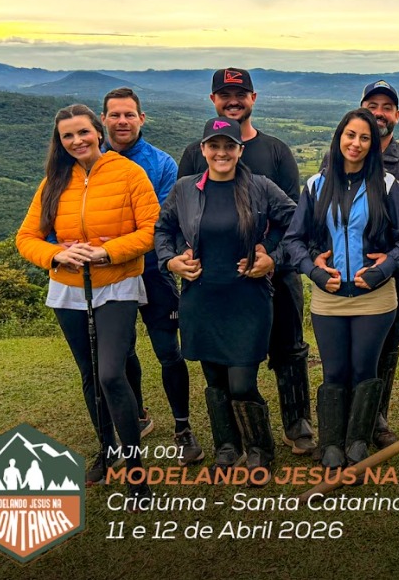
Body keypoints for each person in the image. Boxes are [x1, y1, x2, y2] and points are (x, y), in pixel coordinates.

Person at [16, 104, 159, 497]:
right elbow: (26, 237)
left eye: (83, 132)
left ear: (98, 132)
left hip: (117, 284)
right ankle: (106, 448)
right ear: (60, 143)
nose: (77, 140)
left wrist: (107, 252)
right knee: (89, 374)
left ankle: (134, 469)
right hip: (68, 289)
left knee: (111, 373)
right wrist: (55, 255)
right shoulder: (53, 181)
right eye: (67, 136)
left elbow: (152, 230)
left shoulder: (130, 173)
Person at [178, 68, 314, 454]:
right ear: (213, 100)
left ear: (253, 98)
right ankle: (234, 440)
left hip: (277, 270)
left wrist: (269, 254)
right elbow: (186, 210)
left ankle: (297, 422)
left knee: (288, 347)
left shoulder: (276, 150)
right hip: (220, 278)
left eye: (241, 94)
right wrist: (182, 255)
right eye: (224, 94)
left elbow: (293, 217)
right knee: (223, 360)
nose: (233, 100)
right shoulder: (193, 153)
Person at [156, 118, 296, 484]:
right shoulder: (185, 189)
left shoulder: (260, 187)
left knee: (241, 383)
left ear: (240, 150)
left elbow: (298, 222)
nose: (221, 152)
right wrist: (170, 260)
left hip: (247, 300)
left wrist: (272, 256)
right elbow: (163, 229)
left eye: (229, 146)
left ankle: (260, 449)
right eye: (214, 146)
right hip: (201, 299)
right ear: (203, 150)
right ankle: (226, 448)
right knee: (215, 379)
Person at [285, 109, 399, 470]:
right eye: (350, 135)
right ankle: (331, 443)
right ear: (339, 138)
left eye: (364, 138)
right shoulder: (315, 186)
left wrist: (384, 269)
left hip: (375, 298)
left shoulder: (387, 186)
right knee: (334, 372)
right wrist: (313, 271)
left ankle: (357, 442)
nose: (355, 144)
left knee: (364, 370)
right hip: (328, 298)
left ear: (373, 145)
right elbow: (293, 240)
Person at [101, 87, 201, 466]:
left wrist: (117, 238)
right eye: (115, 115)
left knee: (167, 351)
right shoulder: (91, 164)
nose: (122, 121)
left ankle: (182, 426)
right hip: (112, 273)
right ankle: (138, 417)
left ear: (141, 118)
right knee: (121, 351)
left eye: (129, 114)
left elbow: (162, 220)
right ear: (104, 120)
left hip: (155, 270)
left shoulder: (161, 163)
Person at [357, 80, 399, 449]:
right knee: (352, 349)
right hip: (347, 274)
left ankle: (377, 418)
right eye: (372, 104)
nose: (379, 113)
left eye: (386, 107)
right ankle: (353, 419)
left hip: (393, 276)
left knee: (387, 348)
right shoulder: (342, 153)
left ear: (396, 116)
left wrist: (389, 261)